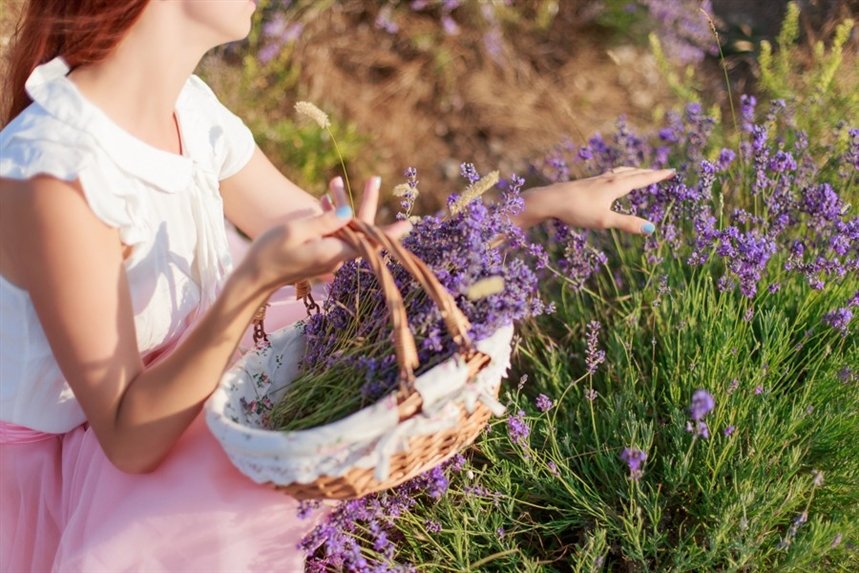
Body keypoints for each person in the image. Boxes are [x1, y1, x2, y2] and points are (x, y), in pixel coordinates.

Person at [0, 1, 673, 571]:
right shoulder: (58, 173)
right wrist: (251, 284)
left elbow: (348, 253)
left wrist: (537, 204)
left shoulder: (189, 111)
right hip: (67, 465)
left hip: (177, 391)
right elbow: (128, 436)